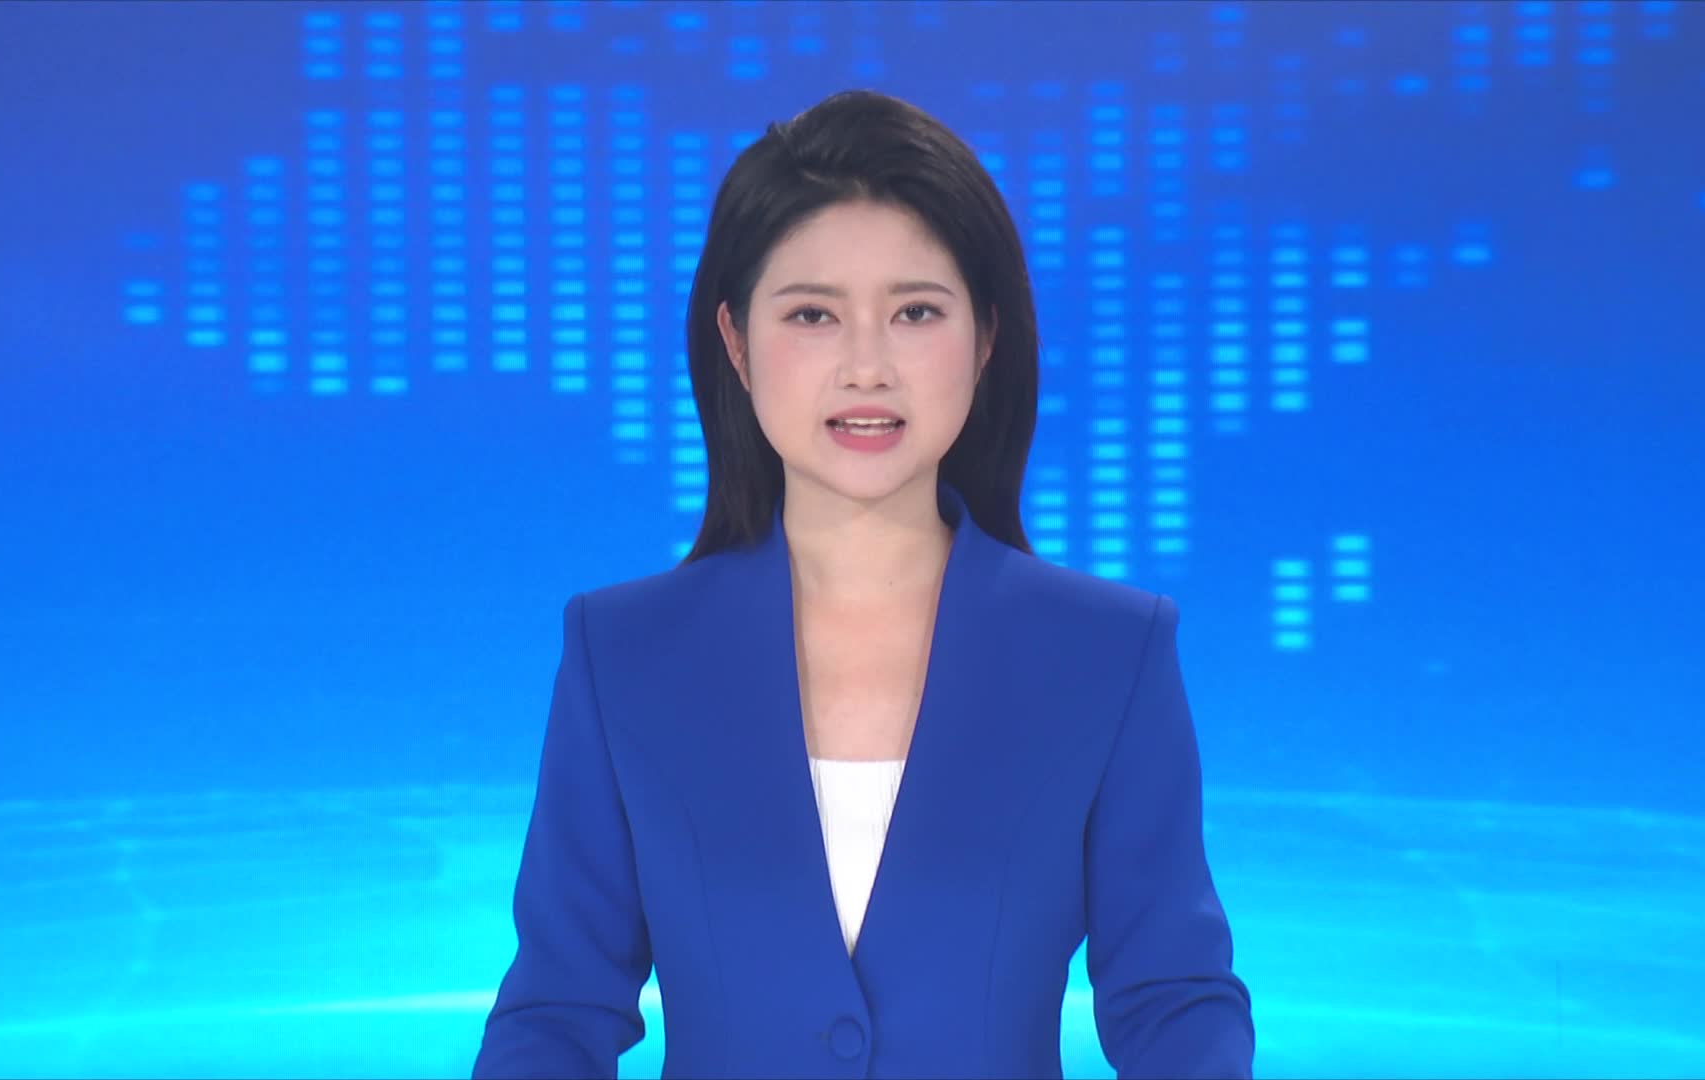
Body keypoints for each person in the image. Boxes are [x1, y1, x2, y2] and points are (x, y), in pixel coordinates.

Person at [471, 89, 1253, 1079]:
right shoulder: (621, 655)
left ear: (986, 338)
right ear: (736, 342)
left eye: (915, 312)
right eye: (813, 314)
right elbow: (558, 1011)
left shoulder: (1108, 654)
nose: (867, 367)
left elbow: (1175, 1001)